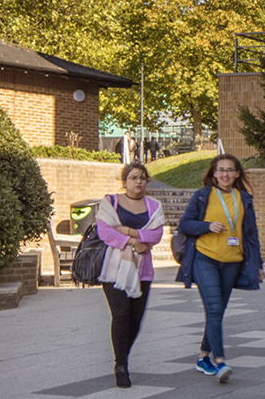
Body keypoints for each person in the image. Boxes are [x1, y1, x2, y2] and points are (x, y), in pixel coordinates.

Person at [176, 154, 265, 383]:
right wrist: (206, 226)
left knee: (218, 310)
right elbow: (185, 224)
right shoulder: (203, 195)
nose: (225, 174)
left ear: (237, 174)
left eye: (230, 170)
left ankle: (203, 356)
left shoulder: (244, 198)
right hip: (204, 259)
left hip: (232, 262)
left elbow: (251, 234)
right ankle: (220, 361)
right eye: (221, 170)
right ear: (214, 173)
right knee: (214, 309)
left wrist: (259, 265)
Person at [96, 163, 166, 388]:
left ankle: (122, 356)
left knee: (136, 319)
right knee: (122, 315)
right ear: (124, 181)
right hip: (113, 270)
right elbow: (105, 231)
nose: (139, 182)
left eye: (143, 178)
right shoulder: (110, 202)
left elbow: (155, 235)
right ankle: (121, 365)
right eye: (134, 177)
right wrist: (134, 241)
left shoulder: (154, 206)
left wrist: (126, 230)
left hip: (143, 270)